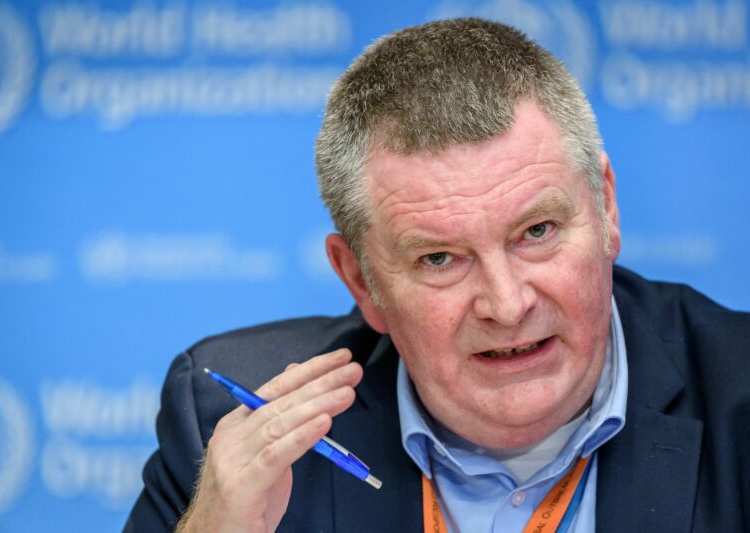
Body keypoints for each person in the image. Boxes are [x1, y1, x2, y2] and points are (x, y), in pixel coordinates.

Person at [125, 18, 750, 533]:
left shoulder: (739, 397)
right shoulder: (227, 428)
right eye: (439, 259)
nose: (506, 306)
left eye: (537, 232)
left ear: (606, 208)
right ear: (361, 281)